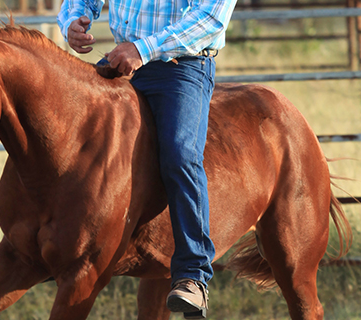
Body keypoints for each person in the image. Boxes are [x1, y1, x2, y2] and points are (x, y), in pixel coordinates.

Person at [57, 0, 236, 318]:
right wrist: (73, 21)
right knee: (64, 135)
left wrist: (143, 49)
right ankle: (54, 242)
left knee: (180, 155)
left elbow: (210, 18)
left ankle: (193, 276)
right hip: (122, 61)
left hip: (181, 67)